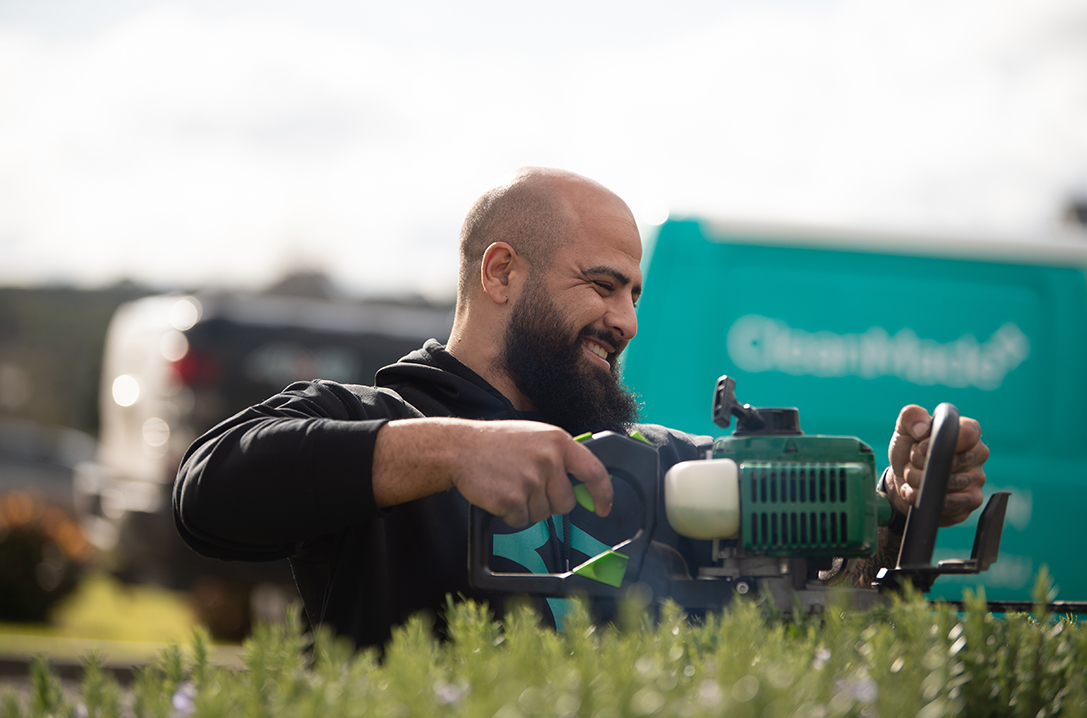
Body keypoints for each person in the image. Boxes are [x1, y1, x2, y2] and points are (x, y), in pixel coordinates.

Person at [173, 167, 989, 649]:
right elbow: (205, 492)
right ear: (501, 274)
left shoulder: (647, 461)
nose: (625, 320)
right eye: (600, 284)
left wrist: (895, 508)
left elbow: (815, 577)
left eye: (633, 293)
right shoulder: (372, 412)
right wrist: (454, 451)